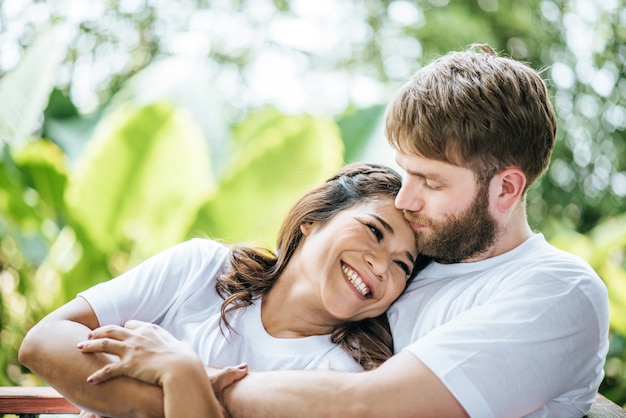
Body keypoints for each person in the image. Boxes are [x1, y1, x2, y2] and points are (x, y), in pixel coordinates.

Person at [22, 42, 610, 418]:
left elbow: (363, 408)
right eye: (405, 174)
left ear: (506, 189)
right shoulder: (428, 258)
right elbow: (44, 343)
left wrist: (184, 376)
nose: (407, 201)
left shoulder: (553, 292)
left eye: (429, 182)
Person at [18, 162, 421, 417]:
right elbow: (44, 342)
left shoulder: (344, 377)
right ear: (313, 220)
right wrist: (184, 400)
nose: (381, 265)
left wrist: (179, 371)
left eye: (403, 264)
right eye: (373, 230)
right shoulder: (203, 267)